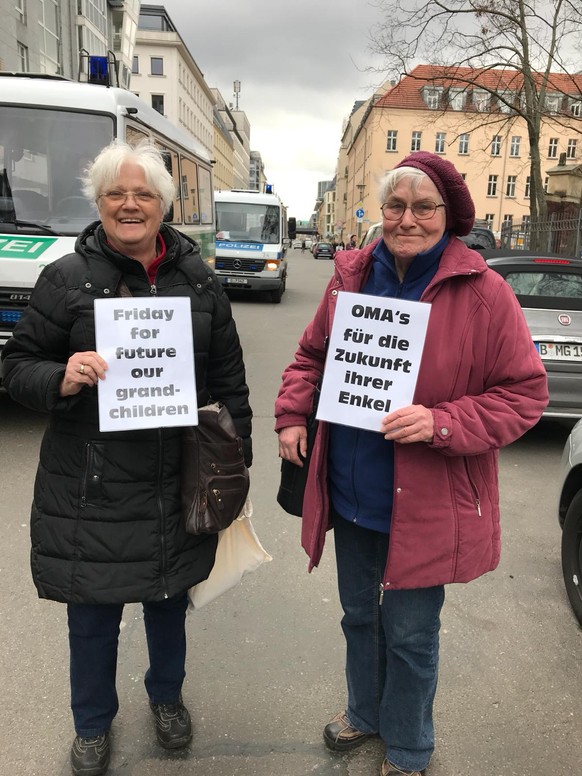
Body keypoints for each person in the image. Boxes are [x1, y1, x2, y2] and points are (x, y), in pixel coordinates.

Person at [275, 151, 548, 776]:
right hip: (351, 490)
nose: (407, 220)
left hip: (426, 504)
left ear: (446, 216)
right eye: (396, 206)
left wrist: (441, 421)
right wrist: (292, 413)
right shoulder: (350, 278)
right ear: (380, 212)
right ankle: (364, 712)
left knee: (411, 635)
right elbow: (310, 357)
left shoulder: (484, 292)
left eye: (424, 208)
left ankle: (408, 745)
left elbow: (524, 394)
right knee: (357, 617)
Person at [1, 140, 252, 776]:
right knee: (93, 613)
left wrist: (236, 459)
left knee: (170, 599)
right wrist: (61, 376)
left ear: (165, 204)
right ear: (101, 202)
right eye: (117, 193)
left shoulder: (200, 280)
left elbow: (228, 378)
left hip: (175, 474)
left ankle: (166, 698)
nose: (130, 204)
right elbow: (16, 367)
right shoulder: (65, 279)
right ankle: (92, 724)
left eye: (143, 194)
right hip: (92, 479)